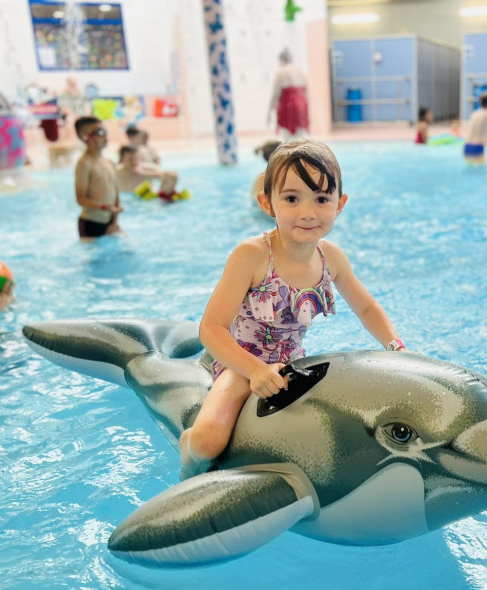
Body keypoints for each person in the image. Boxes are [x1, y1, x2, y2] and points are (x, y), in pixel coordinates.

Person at [179, 139, 406, 477]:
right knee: (208, 442)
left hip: (291, 365)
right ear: (267, 203)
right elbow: (211, 329)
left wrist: (395, 347)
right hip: (240, 365)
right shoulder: (252, 256)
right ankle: (187, 449)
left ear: (340, 204)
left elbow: (367, 307)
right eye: (291, 199)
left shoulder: (331, 257)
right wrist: (255, 370)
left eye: (322, 199)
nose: (308, 212)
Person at [74, 116, 122, 240]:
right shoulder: (84, 164)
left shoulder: (109, 162)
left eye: (105, 131)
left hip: (111, 221)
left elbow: (116, 195)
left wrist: (114, 222)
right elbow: (81, 199)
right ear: (86, 137)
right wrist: (105, 207)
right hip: (91, 223)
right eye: (100, 132)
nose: (105, 136)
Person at [117, 146, 184, 202]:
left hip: (148, 202)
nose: (134, 162)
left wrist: (145, 174)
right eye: (130, 160)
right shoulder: (116, 173)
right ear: (121, 160)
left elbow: (173, 176)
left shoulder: (148, 169)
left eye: (136, 159)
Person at [269, 49, 309, 139]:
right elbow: (306, 91)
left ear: (282, 60)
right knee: (300, 137)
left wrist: (269, 110)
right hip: (301, 105)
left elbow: (275, 93)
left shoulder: (281, 72)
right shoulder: (300, 71)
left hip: (288, 106)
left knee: (288, 139)